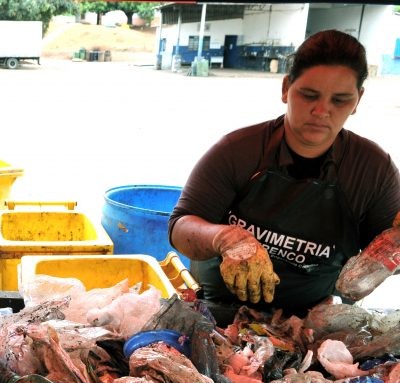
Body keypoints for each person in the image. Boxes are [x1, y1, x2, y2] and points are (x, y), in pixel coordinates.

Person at [168, 29, 400, 325]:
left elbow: (388, 244)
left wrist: (392, 249)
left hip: (309, 321)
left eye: (340, 100)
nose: (321, 111)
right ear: (286, 88)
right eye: (309, 95)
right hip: (218, 311)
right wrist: (226, 238)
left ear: (358, 100)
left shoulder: (373, 170)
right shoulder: (237, 151)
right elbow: (180, 226)